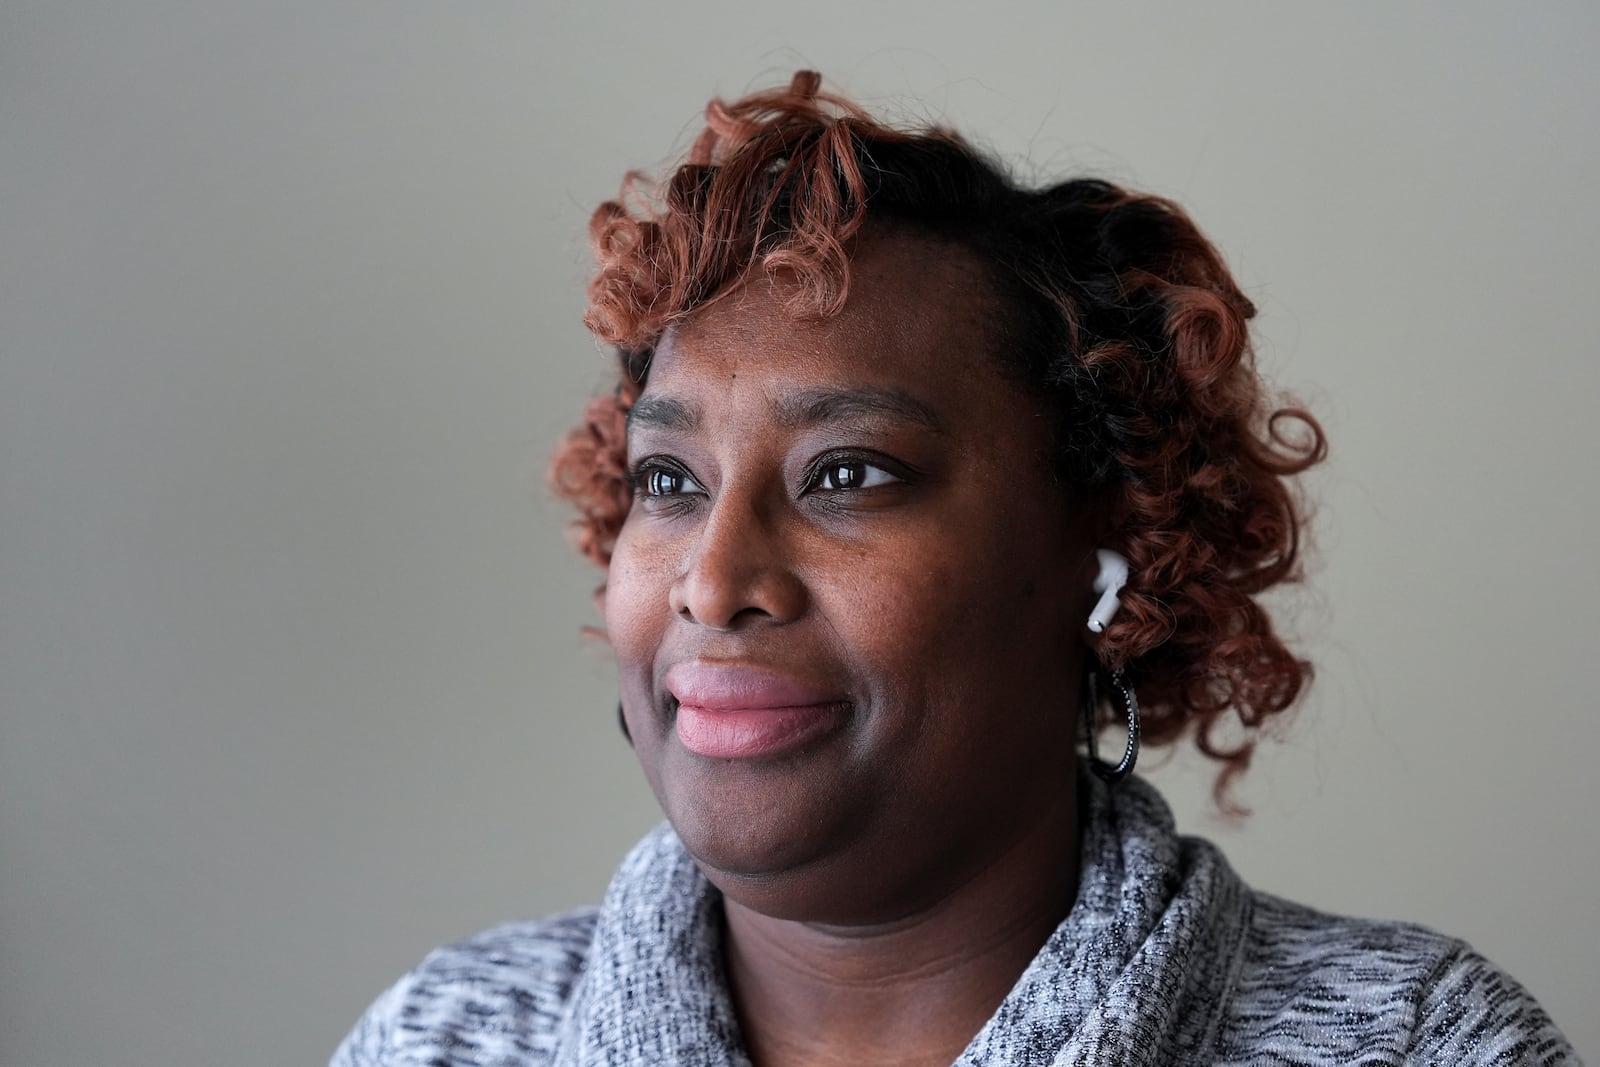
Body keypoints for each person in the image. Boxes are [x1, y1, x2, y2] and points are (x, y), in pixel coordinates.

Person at [332, 72, 1576, 1066]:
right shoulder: (445, 1037)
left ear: (1112, 548)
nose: (713, 583)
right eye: (670, 482)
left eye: (850, 472)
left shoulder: (1418, 1042)